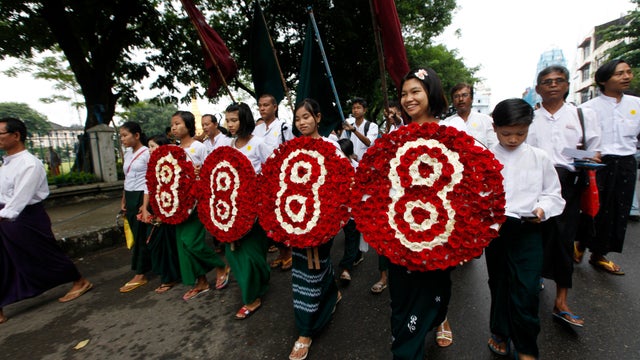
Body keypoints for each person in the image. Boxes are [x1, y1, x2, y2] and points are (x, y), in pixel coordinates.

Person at [487, 98, 565, 360]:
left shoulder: (539, 157)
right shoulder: (484, 157)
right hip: (495, 232)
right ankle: (499, 332)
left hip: (528, 230)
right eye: (506, 133)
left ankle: (526, 347)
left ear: (529, 128)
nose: (512, 139)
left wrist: (542, 209)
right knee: (499, 284)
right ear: (495, 128)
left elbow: (553, 195)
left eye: (520, 133)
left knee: (527, 289)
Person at [387, 67, 453, 360]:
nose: (408, 99)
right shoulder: (395, 136)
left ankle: (437, 320)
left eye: (415, 92)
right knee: (401, 291)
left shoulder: (451, 134)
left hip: (439, 229)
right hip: (399, 228)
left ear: (431, 93)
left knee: (433, 288)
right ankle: (406, 344)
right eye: (403, 93)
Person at [0, 117, 93, 324]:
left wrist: (4, 215)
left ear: (16, 136)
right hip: (6, 215)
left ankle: (79, 280)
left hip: (23, 216)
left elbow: (20, 198)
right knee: (5, 261)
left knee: (43, 254)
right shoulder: (6, 164)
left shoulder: (29, 164)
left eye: (1, 134)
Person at [527, 65, 600, 327]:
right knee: (536, 237)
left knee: (564, 240)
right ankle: (533, 282)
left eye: (559, 81)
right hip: (534, 185)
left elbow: (595, 151)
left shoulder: (582, 115)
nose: (553, 85)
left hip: (568, 183)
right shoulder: (530, 119)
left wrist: (587, 158)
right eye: (547, 82)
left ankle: (561, 300)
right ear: (538, 89)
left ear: (568, 85)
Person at [288, 98, 342, 360]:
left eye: (306, 117)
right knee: (304, 270)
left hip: (323, 221)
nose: (302, 122)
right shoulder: (291, 149)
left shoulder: (331, 145)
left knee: (316, 266)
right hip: (294, 221)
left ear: (318, 118)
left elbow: (343, 180)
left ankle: (307, 330)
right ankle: (312, 319)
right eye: (298, 119)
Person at [575, 59, 640, 275]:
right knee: (592, 209)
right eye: (619, 73)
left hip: (626, 163)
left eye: (628, 72)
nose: (626, 77)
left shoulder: (636, 104)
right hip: (597, 166)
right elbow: (570, 148)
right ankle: (581, 244)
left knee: (618, 211)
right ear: (603, 80)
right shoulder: (587, 109)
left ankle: (600, 255)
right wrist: (588, 156)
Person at [171, 111, 229, 301]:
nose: (174, 128)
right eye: (172, 125)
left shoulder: (199, 147)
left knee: (192, 242)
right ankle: (201, 281)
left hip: (195, 202)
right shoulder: (173, 150)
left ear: (188, 126)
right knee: (183, 246)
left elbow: (210, 171)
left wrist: (199, 173)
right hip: (179, 204)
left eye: (178, 124)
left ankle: (220, 265)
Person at [223, 102, 271, 319]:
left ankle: (254, 296)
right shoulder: (229, 145)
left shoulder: (259, 144)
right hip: (232, 209)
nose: (230, 124)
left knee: (252, 252)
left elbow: (271, 172)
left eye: (234, 120)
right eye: (228, 120)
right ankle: (253, 289)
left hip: (255, 209)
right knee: (234, 252)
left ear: (245, 119)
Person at [252, 94, 295, 271]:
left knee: (282, 218)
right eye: (260, 106)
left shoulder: (284, 128)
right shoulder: (256, 131)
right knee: (269, 220)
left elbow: (291, 152)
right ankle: (281, 252)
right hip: (263, 181)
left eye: (266, 105)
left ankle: (289, 253)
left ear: (275, 107)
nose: (262, 109)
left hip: (280, 179)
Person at [139, 134, 181, 294]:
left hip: (168, 210)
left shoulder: (171, 164)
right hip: (156, 209)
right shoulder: (151, 164)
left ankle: (169, 278)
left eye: (152, 147)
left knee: (167, 245)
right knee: (156, 244)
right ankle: (168, 275)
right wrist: (144, 208)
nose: (149, 150)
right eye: (149, 147)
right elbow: (147, 188)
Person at [340, 98, 378, 269]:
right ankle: (355, 248)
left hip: (365, 172)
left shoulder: (371, 126)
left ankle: (359, 249)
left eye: (358, 107)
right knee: (351, 210)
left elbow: (369, 143)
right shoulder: (347, 126)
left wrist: (353, 130)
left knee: (361, 209)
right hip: (350, 171)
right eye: (353, 108)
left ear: (365, 109)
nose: (355, 110)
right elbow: (341, 145)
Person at [118, 121, 152, 293]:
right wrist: (124, 198)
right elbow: (127, 177)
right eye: (121, 136)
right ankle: (144, 266)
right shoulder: (128, 153)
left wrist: (144, 205)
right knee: (134, 231)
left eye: (125, 135)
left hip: (141, 196)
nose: (122, 139)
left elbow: (149, 180)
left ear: (136, 135)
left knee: (140, 235)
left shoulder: (147, 153)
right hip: (130, 195)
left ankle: (141, 273)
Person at [441, 83, 498, 148]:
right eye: (456, 96)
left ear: (472, 98)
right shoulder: (447, 123)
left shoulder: (485, 120)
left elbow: (493, 145)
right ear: (453, 101)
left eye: (465, 95)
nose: (461, 99)